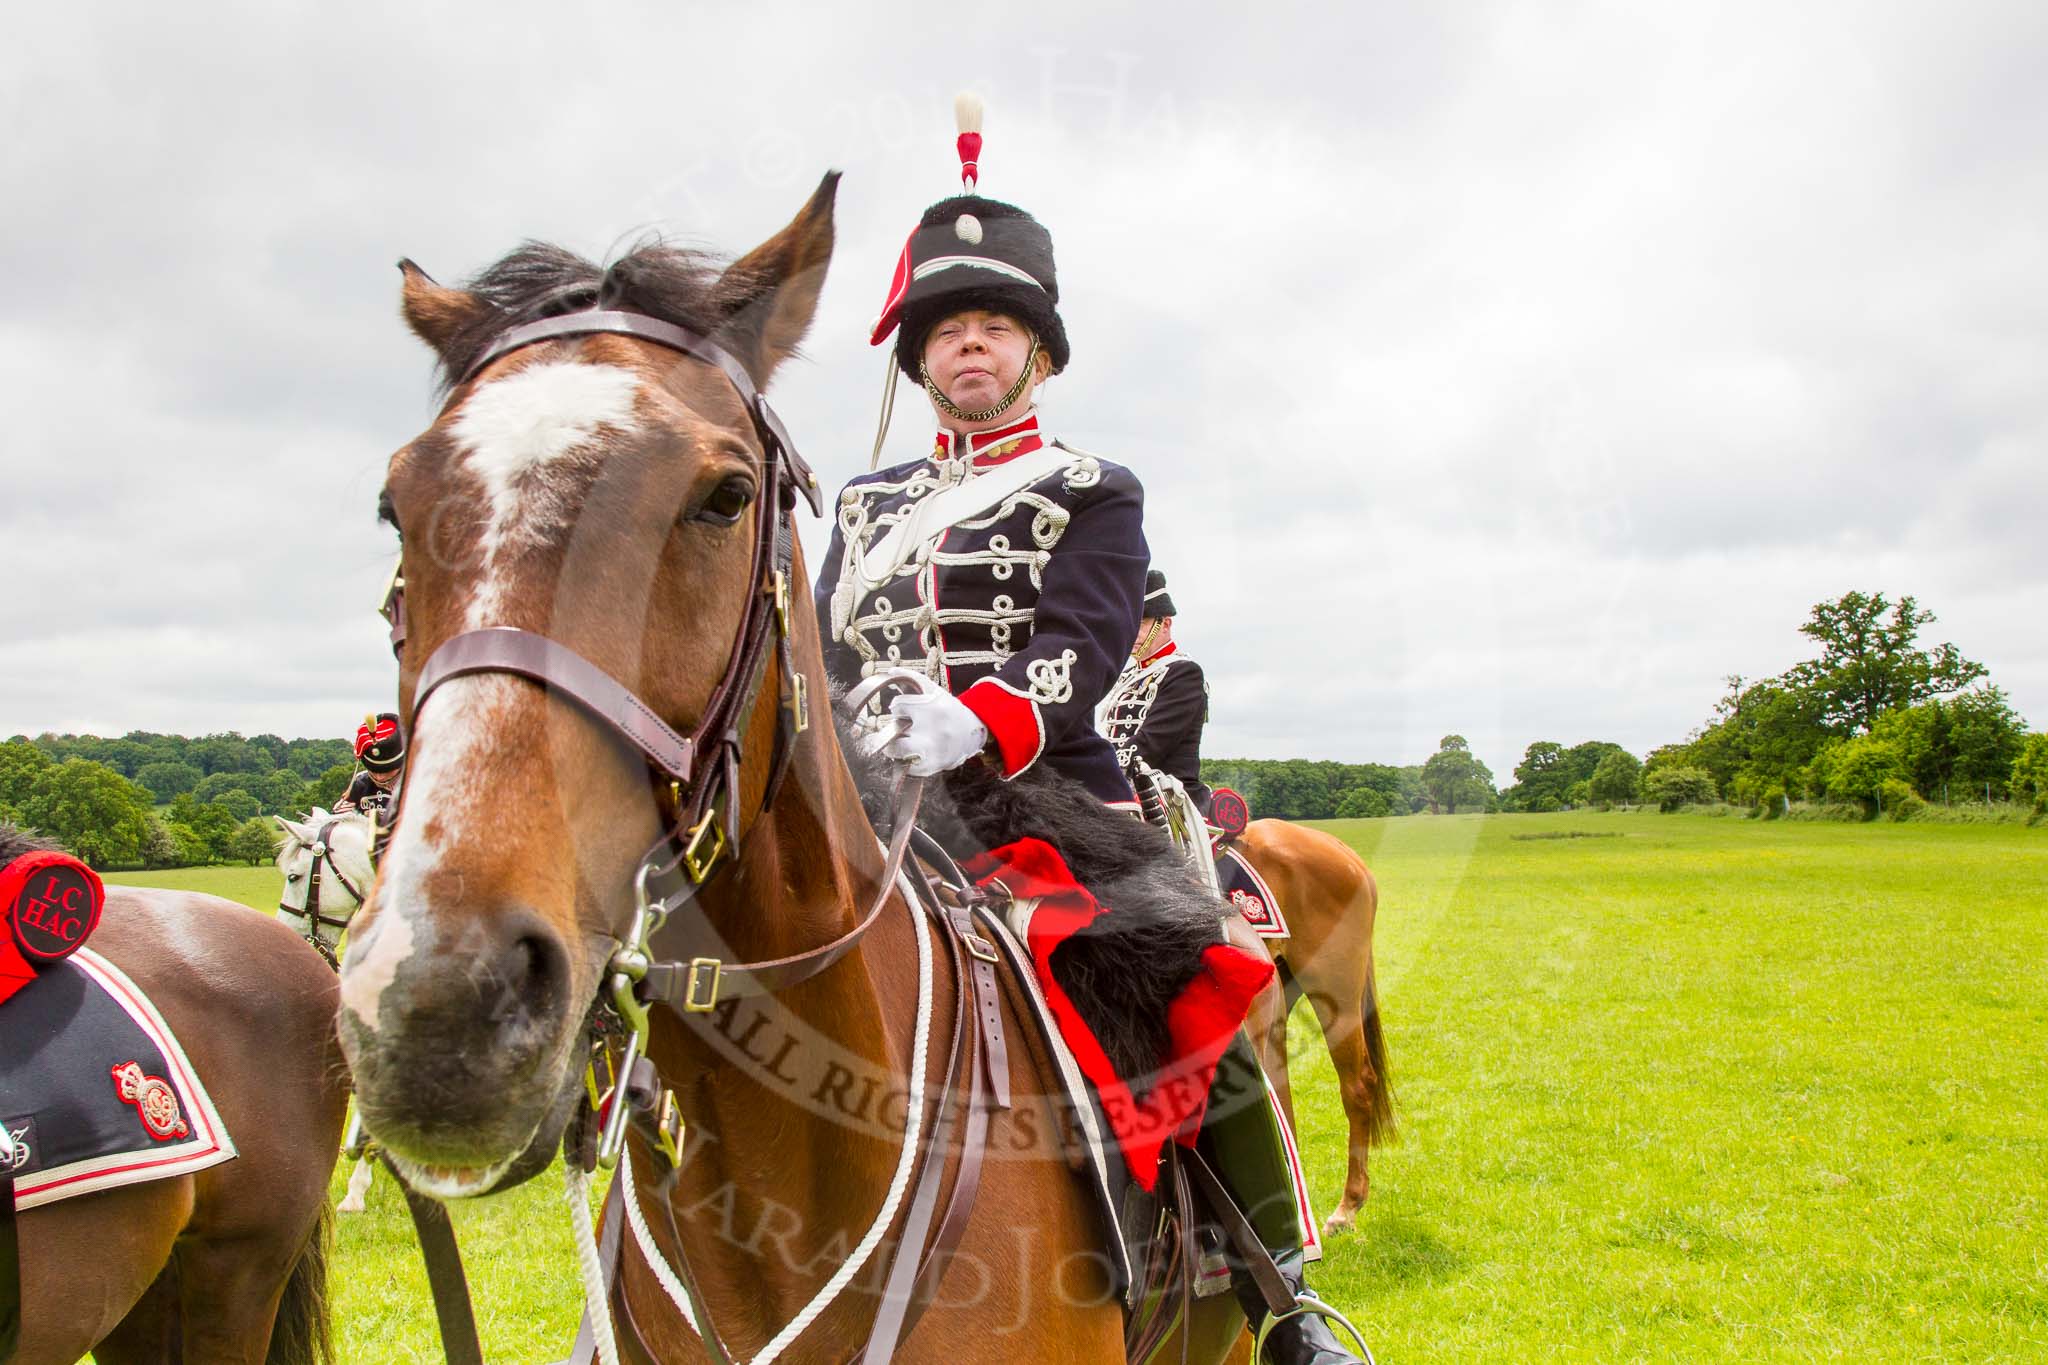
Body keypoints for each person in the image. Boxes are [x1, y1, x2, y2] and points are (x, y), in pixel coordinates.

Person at [816, 100, 1362, 1365]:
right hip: (870, 796)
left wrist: (977, 717)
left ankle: (1280, 1289)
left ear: (1036, 355)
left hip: (1037, 797)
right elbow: (833, 649)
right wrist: (856, 726)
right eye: (945, 330)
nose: (967, 346)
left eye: (991, 327)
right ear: (917, 362)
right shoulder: (863, 501)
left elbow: (1086, 636)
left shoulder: (1088, 488)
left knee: (1196, 962)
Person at [1100, 569, 1214, 811]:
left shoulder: (1183, 672)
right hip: (1122, 785)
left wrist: (1095, 767)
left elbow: (1149, 746)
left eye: (1141, 623)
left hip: (1168, 797)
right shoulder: (1129, 676)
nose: (1133, 633)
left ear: (1165, 624)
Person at [334, 712, 404, 816]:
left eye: (387, 771)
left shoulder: (417, 783)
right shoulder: (360, 783)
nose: (380, 778)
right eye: (374, 771)